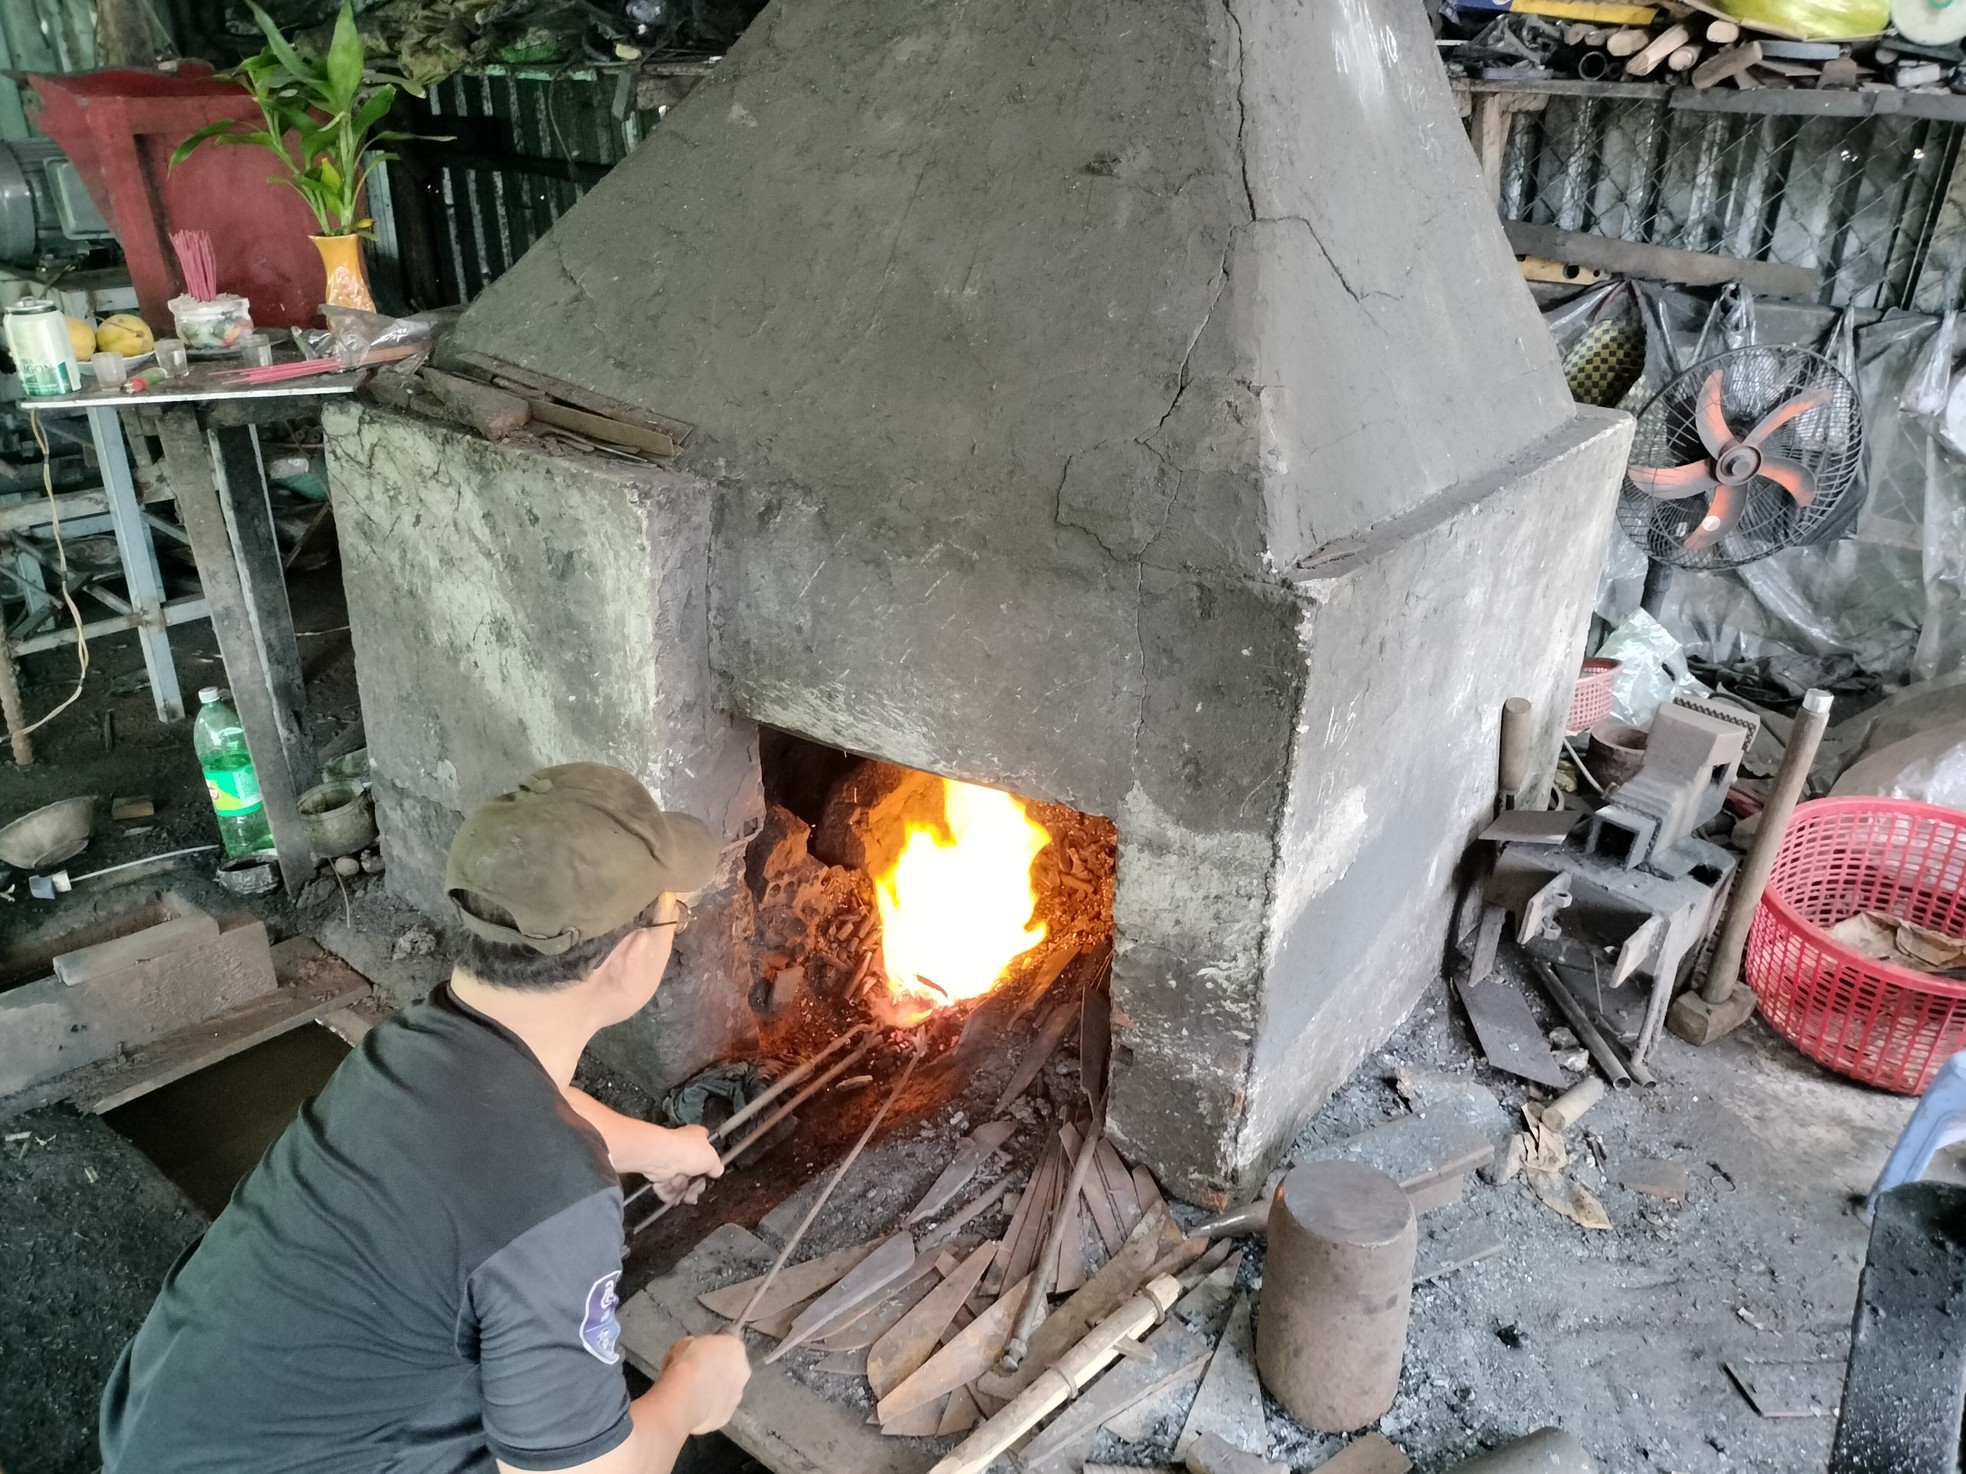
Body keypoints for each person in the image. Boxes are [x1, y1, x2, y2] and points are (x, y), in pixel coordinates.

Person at [100, 763, 753, 1473]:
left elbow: (530, 1105)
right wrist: (690, 1392)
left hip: (160, 1432)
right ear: (627, 958)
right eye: (671, 915)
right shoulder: (554, 1202)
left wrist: (657, 1148)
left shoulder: (410, 1044)